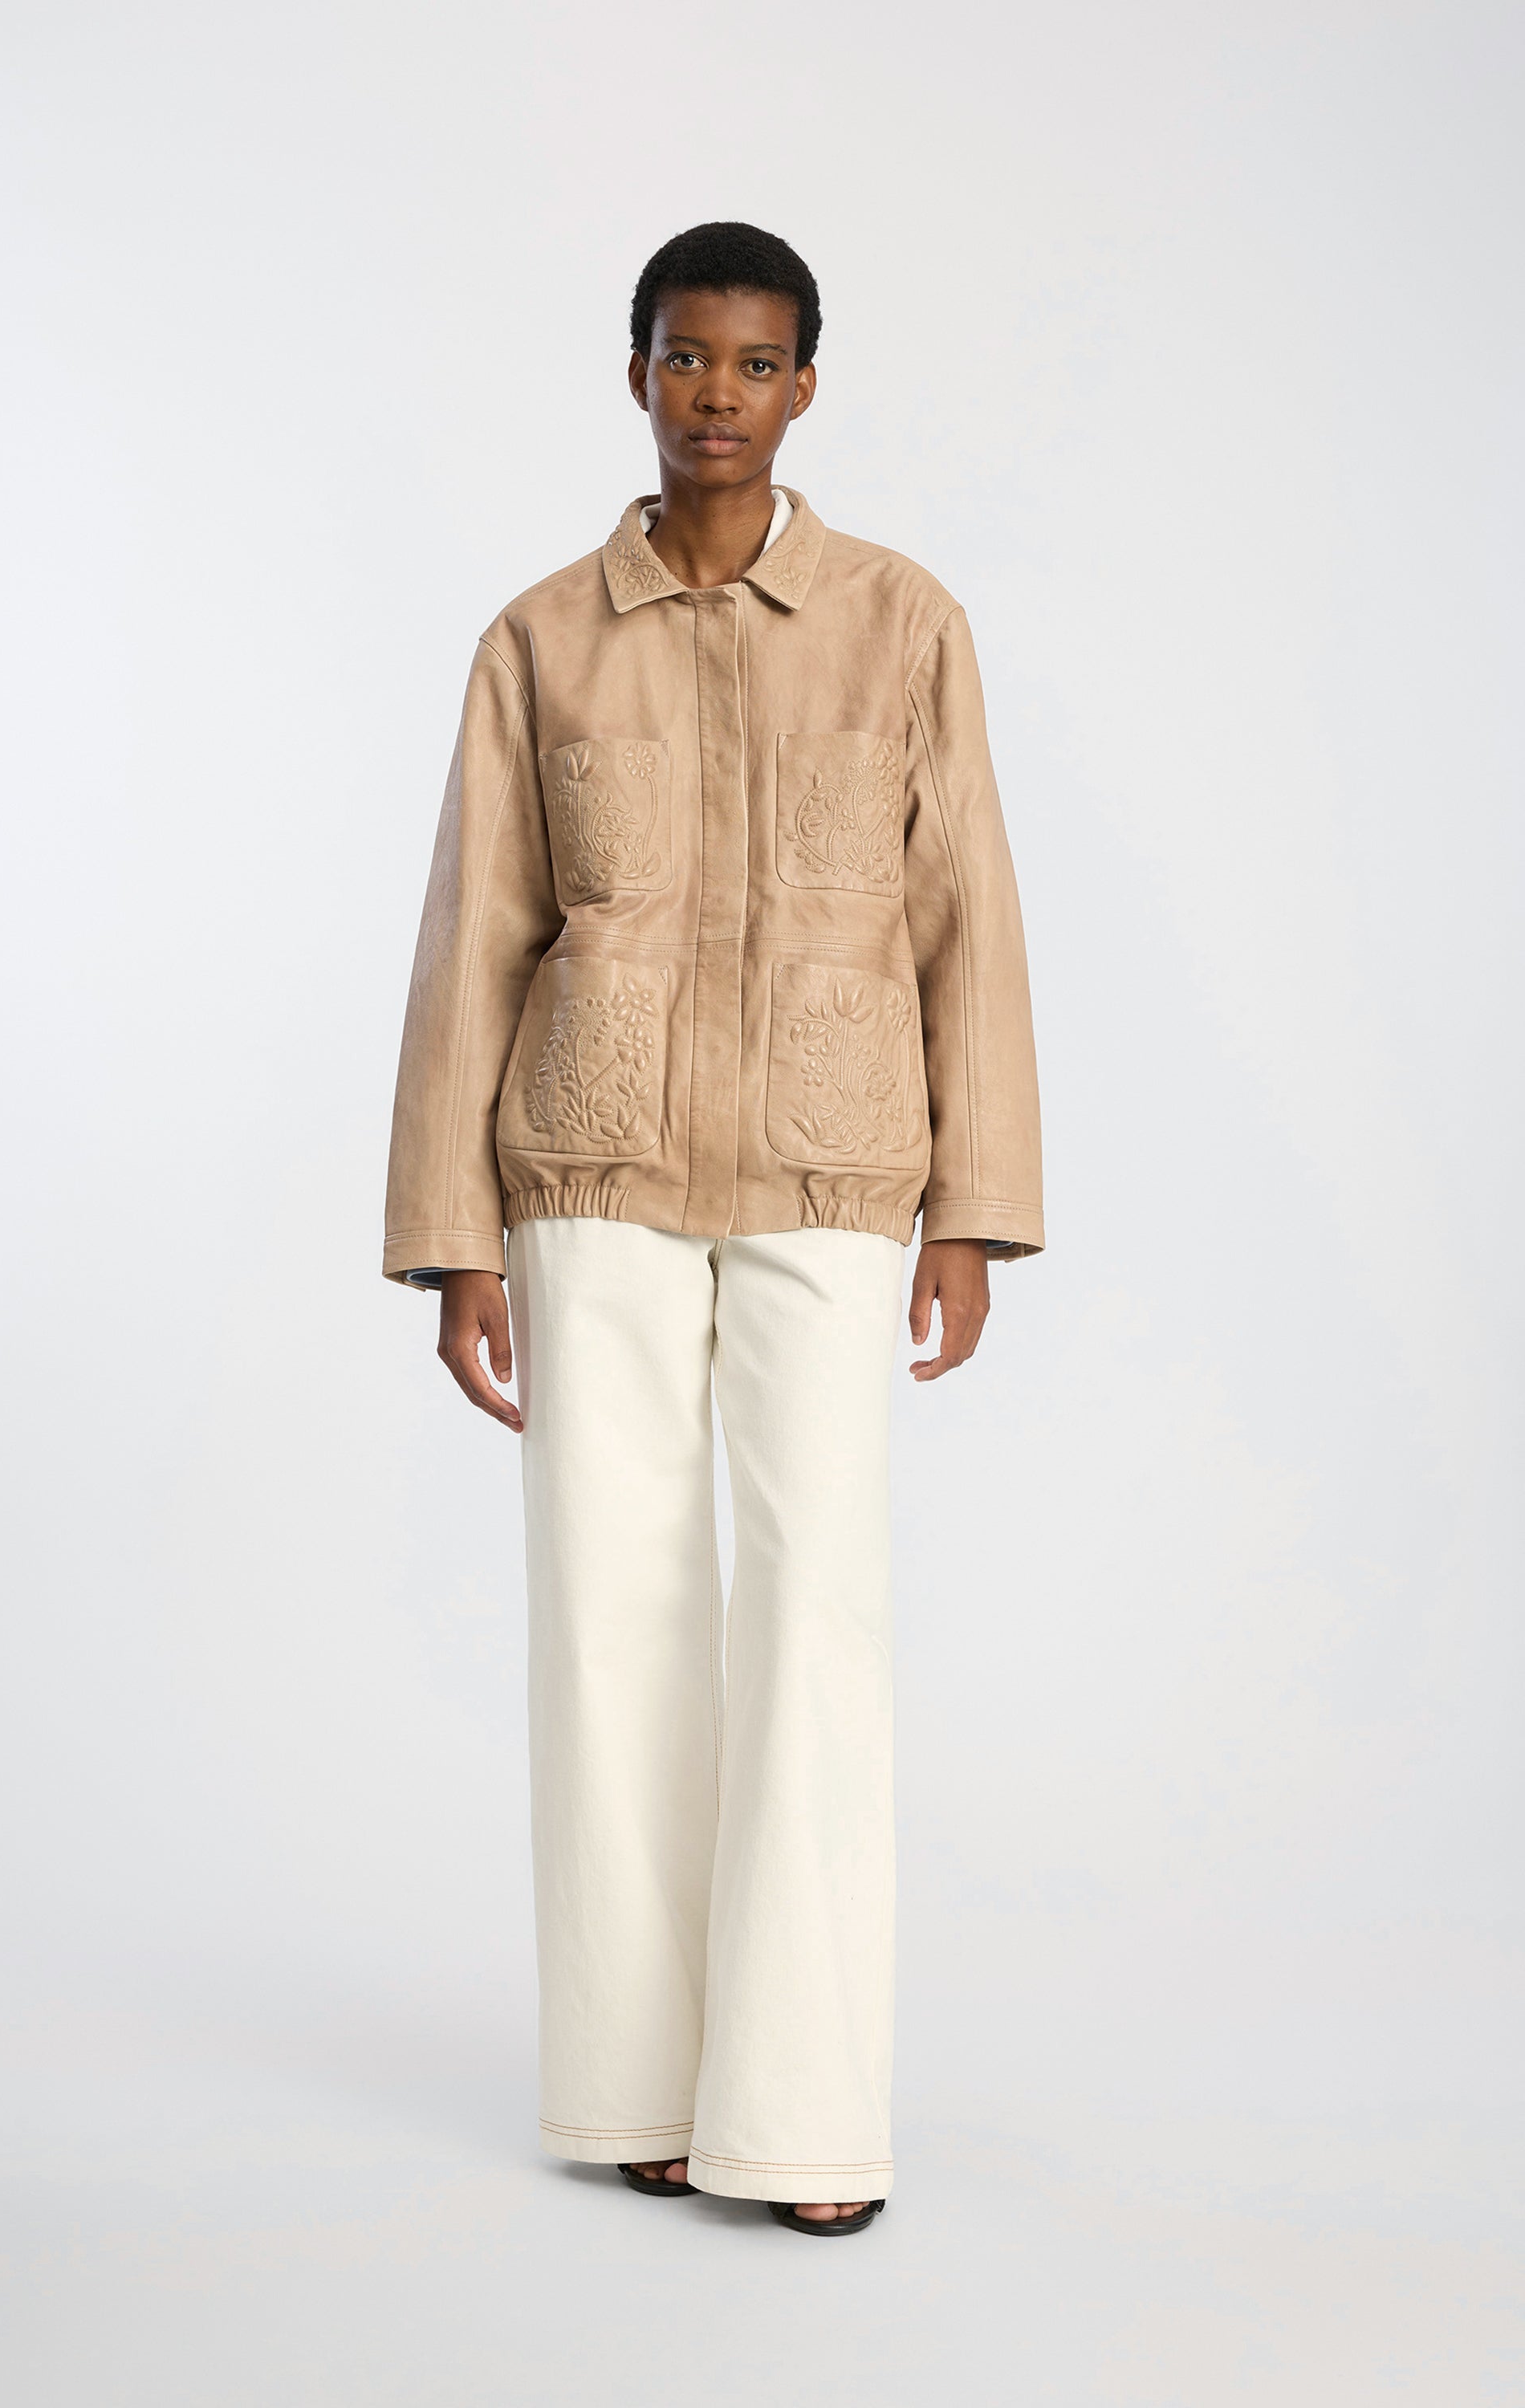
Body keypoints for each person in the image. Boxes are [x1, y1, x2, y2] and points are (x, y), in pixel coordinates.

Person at [382, 222, 1043, 2235]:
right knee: (612, 1617)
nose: (718, 396)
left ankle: (804, 2119)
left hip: (834, 1175)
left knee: (818, 1615)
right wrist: (454, 1237)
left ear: (806, 386)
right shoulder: (538, 641)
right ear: (637, 374)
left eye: (756, 364)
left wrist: (974, 1210)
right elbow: (474, 940)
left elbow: (967, 918)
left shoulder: (902, 624)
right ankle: (634, 2091)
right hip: (585, 1176)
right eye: (686, 358)